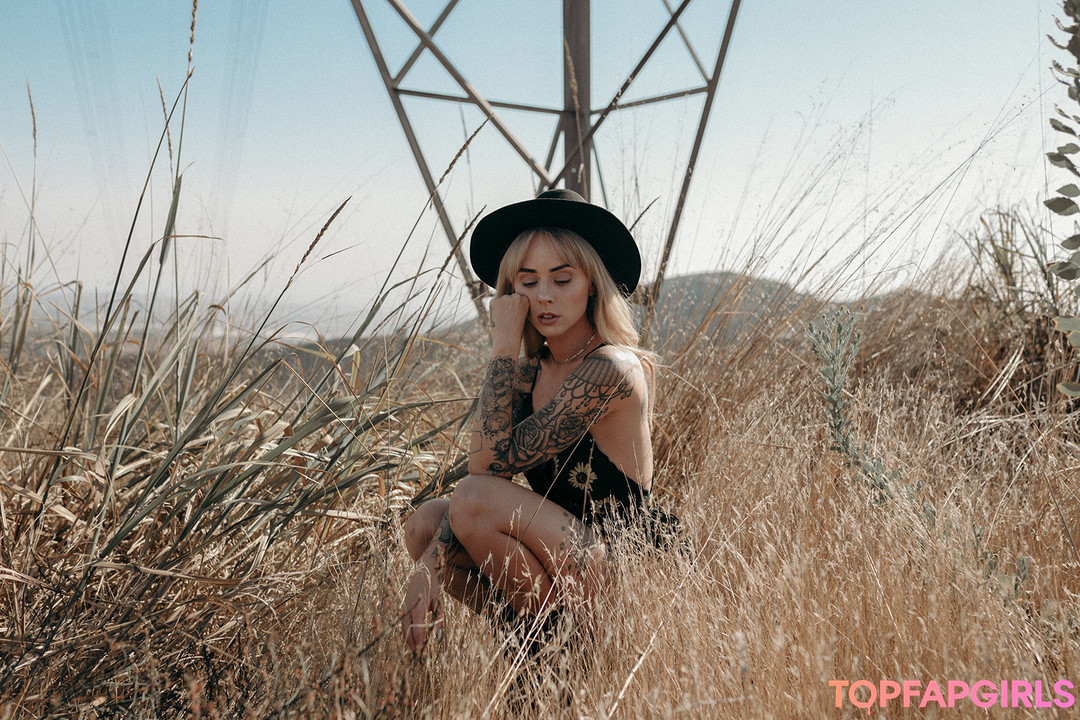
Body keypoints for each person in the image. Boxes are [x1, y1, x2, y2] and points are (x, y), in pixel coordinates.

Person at [401, 188, 657, 655]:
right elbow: (485, 467)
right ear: (511, 292)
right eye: (528, 281)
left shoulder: (611, 368)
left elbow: (483, 475)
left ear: (592, 284)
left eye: (562, 279)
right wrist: (427, 564)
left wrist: (503, 345)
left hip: (620, 558)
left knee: (470, 499)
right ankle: (534, 645)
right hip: (554, 551)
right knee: (424, 524)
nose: (544, 296)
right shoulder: (528, 374)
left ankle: (554, 648)